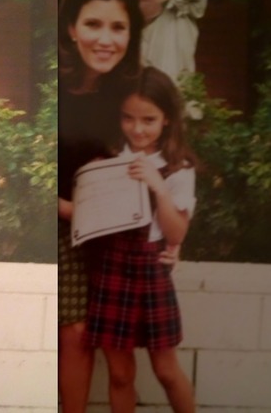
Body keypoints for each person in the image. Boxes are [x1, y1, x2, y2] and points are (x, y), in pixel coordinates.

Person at [85, 66, 197, 412]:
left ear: (167, 119)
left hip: (151, 270)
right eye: (128, 118)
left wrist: (157, 184)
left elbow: (176, 232)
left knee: (165, 370)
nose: (137, 129)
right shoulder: (107, 160)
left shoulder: (178, 168)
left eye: (148, 120)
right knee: (119, 374)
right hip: (112, 267)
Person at [56, 0, 144, 412]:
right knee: (73, 333)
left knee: (119, 350)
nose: (106, 40)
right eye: (93, 24)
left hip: (119, 235)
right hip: (64, 227)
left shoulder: (137, 91)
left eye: (118, 28)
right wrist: (72, 212)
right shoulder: (54, 90)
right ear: (71, 28)